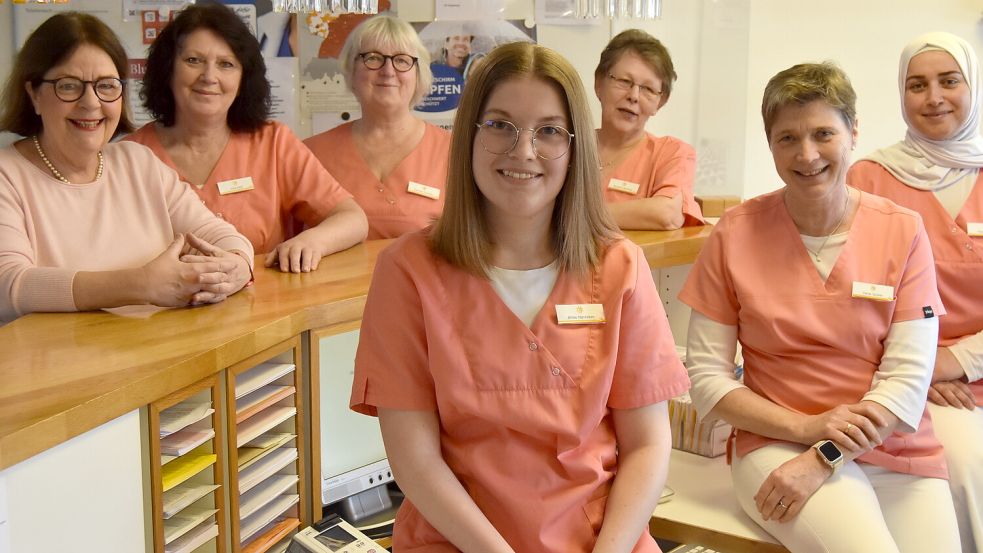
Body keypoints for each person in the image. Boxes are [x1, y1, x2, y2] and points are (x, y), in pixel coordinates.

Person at [350, 42, 689, 552]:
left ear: (576, 147)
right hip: (460, 540)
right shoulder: (407, 271)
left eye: (549, 131)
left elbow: (647, 443)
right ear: (469, 135)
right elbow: (415, 460)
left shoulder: (619, 267)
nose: (523, 150)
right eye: (501, 125)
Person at [679, 62, 961, 552]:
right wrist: (806, 430)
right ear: (770, 144)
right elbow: (706, 379)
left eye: (823, 133)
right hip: (776, 446)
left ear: (853, 132)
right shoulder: (735, 233)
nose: (806, 154)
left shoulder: (902, 229)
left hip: (896, 450)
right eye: (787, 138)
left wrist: (824, 453)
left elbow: (908, 379)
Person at [0, 12, 253, 324]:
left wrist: (238, 267)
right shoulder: (7, 175)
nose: (91, 103)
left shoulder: (139, 161)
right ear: (34, 94)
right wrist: (142, 284)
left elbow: (218, 234)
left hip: (163, 355)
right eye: (68, 86)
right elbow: (8, 287)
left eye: (106, 86)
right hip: (62, 368)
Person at [848, 32, 983, 553]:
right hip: (905, 379)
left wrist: (958, 360)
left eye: (950, 81)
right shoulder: (870, 178)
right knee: (966, 468)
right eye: (917, 85)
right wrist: (919, 371)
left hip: (966, 373)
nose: (934, 98)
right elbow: (849, 300)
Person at [128, 4, 367, 273]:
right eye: (193, 60)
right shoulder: (130, 157)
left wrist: (312, 241)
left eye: (226, 64)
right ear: (167, 69)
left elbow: (353, 219)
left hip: (265, 309)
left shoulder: (272, 143)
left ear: (244, 79)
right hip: (161, 312)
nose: (209, 76)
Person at [304, 15, 451, 239]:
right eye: (373, 58)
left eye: (402, 60)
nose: (388, 71)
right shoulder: (310, 155)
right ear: (351, 72)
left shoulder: (454, 152)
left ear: (418, 74)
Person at [593, 30, 703, 230]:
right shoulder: (565, 146)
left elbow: (667, 213)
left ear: (660, 102)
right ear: (599, 83)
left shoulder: (671, 153)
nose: (634, 96)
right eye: (624, 81)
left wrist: (580, 217)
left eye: (648, 89)